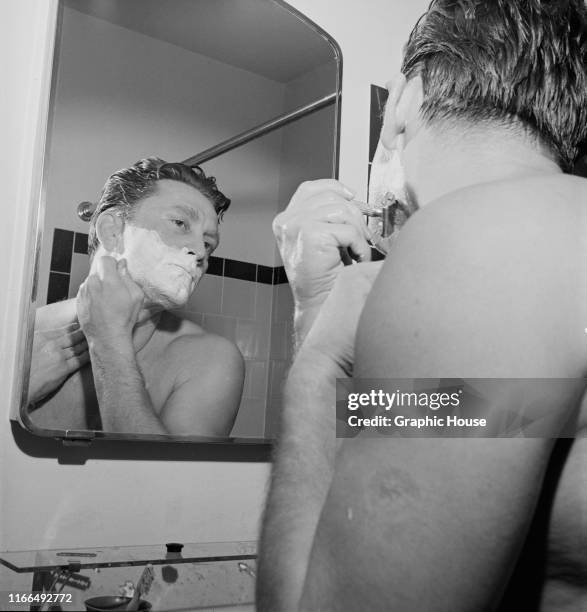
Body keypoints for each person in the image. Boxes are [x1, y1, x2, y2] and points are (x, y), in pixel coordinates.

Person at [258, 1, 587, 610]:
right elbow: (493, 415)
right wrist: (320, 308)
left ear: (404, 100)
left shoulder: (482, 236)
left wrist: (320, 361)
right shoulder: (555, 229)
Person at [27, 158, 244, 436]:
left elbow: (166, 479)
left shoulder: (211, 359)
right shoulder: (23, 331)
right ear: (112, 231)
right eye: (180, 223)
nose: (200, 253)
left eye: (208, 243)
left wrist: (110, 345)